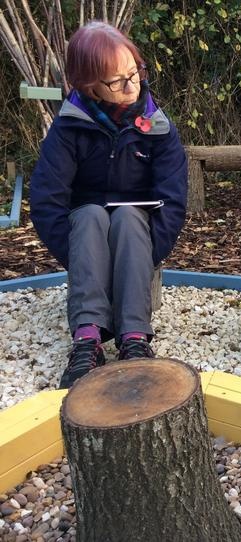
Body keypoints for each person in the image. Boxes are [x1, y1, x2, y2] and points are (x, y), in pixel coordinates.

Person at [30, 21, 188, 389]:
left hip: (137, 232)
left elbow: (173, 201)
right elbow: (47, 200)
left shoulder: (158, 126)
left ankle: (134, 338)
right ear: (89, 86)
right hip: (86, 231)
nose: (132, 86)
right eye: (117, 81)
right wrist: (79, 255)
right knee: (88, 216)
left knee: (130, 217)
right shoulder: (68, 127)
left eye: (135, 73)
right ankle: (87, 339)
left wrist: (147, 252)